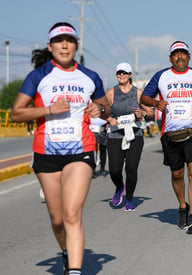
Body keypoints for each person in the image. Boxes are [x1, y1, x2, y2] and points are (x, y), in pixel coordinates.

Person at [11, 22, 110, 275]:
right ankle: (66, 253)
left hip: (81, 151)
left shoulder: (90, 76)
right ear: (50, 46)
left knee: (71, 213)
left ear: (76, 45)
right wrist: (48, 110)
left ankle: (75, 271)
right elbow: (16, 113)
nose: (64, 45)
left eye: (69, 40)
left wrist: (101, 110)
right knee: (57, 220)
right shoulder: (39, 76)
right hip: (47, 154)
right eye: (59, 40)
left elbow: (106, 108)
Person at [141, 41, 192, 232]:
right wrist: (156, 103)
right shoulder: (162, 76)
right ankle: (182, 206)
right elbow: (144, 97)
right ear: (171, 58)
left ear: (189, 56)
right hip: (169, 132)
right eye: (176, 54)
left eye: (183, 53)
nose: (180, 56)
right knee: (177, 174)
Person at [105, 62, 153, 212]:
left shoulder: (138, 93)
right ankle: (120, 187)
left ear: (130, 75)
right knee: (114, 170)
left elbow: (151, 112)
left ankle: (130, 199)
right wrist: (109, 119)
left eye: (124, 73)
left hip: (134, 134)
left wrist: (143, 114)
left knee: (131, 169)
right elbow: (102, 111)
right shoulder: (111, 93)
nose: (121, 76)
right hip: (115, 133)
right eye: (119, 73)